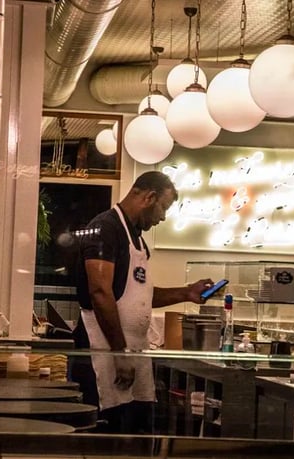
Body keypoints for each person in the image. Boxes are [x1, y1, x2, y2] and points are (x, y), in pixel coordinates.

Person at [70, 171, 212, 434]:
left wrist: (185, 293)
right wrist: (119, 352)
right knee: (104, 438)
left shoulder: (136, 240)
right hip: (104, 353)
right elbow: (100, 292)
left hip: (132, 352)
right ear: (149, 197)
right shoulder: (105, 228)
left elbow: (138, 296)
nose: (163, 217)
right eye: (164, 207)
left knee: (134, 435)